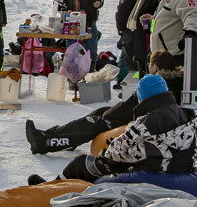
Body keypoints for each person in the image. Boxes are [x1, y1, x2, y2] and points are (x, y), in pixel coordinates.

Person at [33, 74, 197, 182]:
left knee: (81, 163)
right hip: (178, 167)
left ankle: (51, 189)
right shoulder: (187, 115)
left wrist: (104, 154)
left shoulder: (145, 124)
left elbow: (115, 152)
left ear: (143, 98)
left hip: (149, 169)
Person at [25, 49, 185, 153]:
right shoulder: (172, 83)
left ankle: (45, 142)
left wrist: (110, 114)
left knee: (95, 122)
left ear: (155, 67)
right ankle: (58, 134)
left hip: (140, 126)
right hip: (145, 120)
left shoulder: (154, 84)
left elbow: (132, 107)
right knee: (100, 113)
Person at [114, 0, 149, 85]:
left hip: (135, 21)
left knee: (131, 54)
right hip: (132, 20)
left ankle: (128, 81)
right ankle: (124, 79)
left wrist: (121, 28)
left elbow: (124, 7)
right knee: (129, 54)